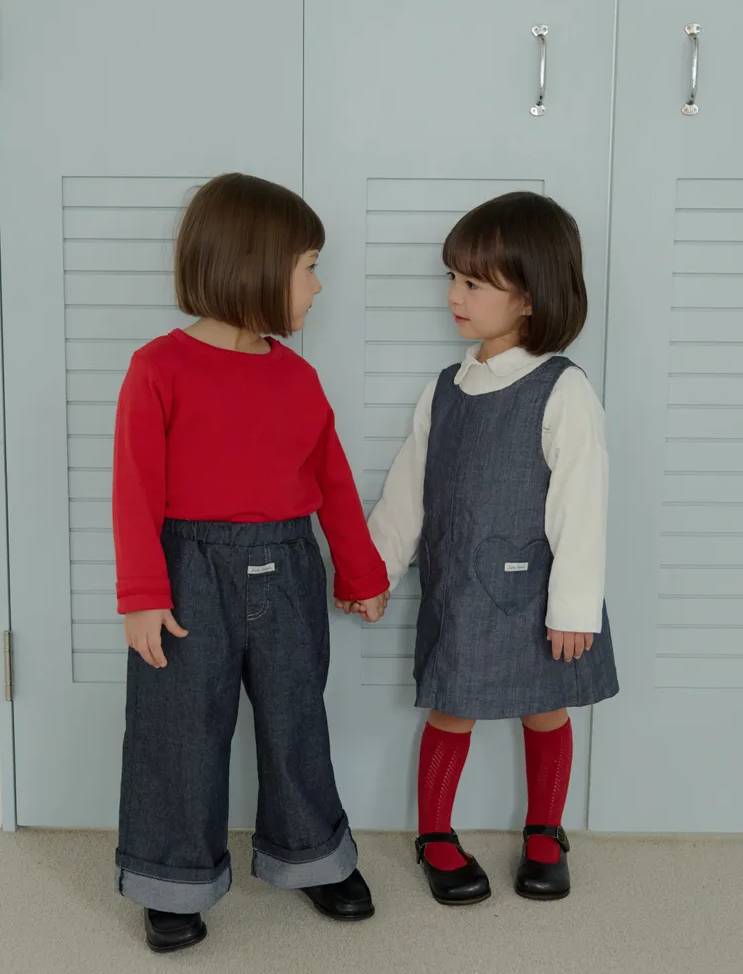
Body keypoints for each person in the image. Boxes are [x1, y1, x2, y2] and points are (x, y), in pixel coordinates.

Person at [112, 173, 390, 953]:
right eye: (309, 267)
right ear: (252, 265)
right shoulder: (158, 368)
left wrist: (361, 574)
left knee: (297, 720)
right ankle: (172, 879)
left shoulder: (298, 378)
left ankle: (314, 856)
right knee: (179, 730)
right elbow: (134, 488)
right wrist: (142, 594)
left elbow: (332, 482)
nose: (319, 286)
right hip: (186, 575)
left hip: (288, 571)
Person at [366, 191, 619, 906]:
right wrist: (374, 570)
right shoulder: (445, 390)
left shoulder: (563, 390)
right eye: (453, 278)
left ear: (531, 297)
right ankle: (434, 835)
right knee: (452, 708)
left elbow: (582, 505)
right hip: (461, 594)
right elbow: (407, 490)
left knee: (547, 707)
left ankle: (545, 829)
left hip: (538, 597)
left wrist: (575, 608)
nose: (454, 295)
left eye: (474, 283)